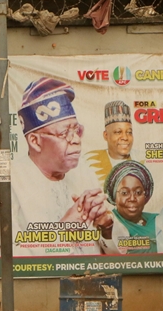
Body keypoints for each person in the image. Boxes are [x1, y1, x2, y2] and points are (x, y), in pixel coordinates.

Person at [11, 77, 110, 256]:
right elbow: (4, 259)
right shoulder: (11, 181)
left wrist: (107, 225)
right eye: (65, 133)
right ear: (35, 141)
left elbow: (121, 255)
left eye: (77, 130)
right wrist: (65, 233)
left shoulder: (84, 173)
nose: (76, 140)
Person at [98, 161, 158, 254]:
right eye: (125, 193)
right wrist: (107, 229)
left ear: (145, 195)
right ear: (114, 196)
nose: (132, 198)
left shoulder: (158, 219)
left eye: (138, 192)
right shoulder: (110, 222)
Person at [84, 100, 134, 183]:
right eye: (118, 132)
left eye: (129, 132)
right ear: (106, 135)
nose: (125, 137)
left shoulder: (141, 160)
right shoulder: (89, 162)